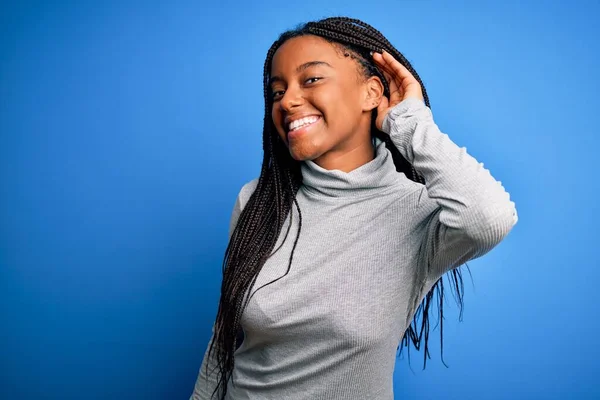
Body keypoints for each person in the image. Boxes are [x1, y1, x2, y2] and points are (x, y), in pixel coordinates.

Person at [190, 17, 517, 400]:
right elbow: (224, 339)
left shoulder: (415, 212)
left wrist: (408, 121)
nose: (288, 101)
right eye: (277, 91)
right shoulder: (259, 200)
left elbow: (489, 217)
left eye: (310, 79)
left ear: (371, 93)